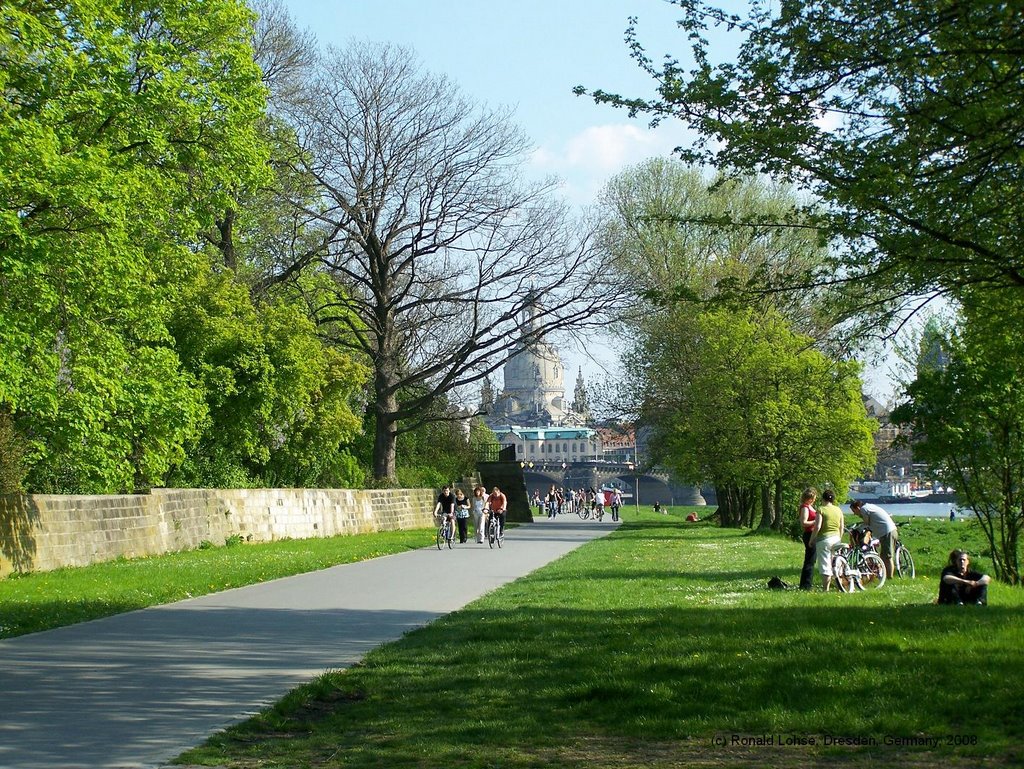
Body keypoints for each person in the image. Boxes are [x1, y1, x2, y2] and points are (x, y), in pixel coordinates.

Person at [849, 499, 898, 578]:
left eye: (854, 511)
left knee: (887, 557)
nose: (854, 514)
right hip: (888, 531)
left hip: (887, 532)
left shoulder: (864, 509)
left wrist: (857, 530)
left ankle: (890, 577)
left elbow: (866, 523)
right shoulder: (869, 507)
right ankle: (886, 576)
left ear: (858, 508)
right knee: (883, 556)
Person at [809, 489, 844, 591]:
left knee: (825, 564)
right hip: (836, 539)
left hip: (824, 540)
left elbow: (817, 527)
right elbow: (841, 527)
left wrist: (812, 539)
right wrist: (839, 538)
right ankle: (839, 586)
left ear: (823, 499)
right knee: (836, 563)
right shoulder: (838, 510)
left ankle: (826, 589)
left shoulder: (821, 509)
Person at [797, 487, 818, 590]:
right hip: (809, 534)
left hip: (814, 534)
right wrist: (816, 521)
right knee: (810, 560)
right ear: (809, 498)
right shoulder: (805, 507)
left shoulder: (810, 506)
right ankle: (806, 585)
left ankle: (807, 583)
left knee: (812, 560)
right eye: (813, 498)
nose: (814, 499)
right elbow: (804, 523)